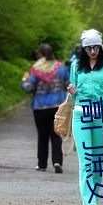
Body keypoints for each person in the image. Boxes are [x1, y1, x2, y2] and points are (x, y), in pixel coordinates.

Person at [67, 29, 103, 205]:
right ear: (83, 48)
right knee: (86, 160)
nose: (92, 51)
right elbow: (73, 95)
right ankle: (90, 203)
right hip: (81, 114)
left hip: (100, 115)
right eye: (88, 48)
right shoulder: (75, 66)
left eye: (96, 47)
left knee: (98, 161)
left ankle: (94, 196)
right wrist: (72, 90)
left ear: (101, 46)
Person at [21, 43, 70, 173]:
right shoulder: (61, 68)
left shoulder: (36, 69)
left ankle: (42, 164)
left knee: (42, 136)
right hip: (57, 107)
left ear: (40, 55)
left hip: (40, 107)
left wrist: (24, 81)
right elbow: (68, 85)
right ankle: (57, 161)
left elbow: (29, 88)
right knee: (56, 135)